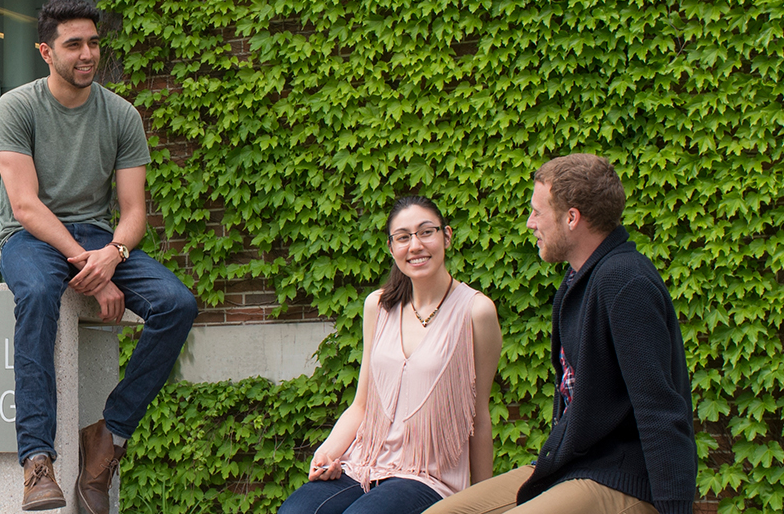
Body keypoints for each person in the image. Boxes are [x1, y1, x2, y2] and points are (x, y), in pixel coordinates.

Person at [0, 0, 199, 514]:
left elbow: (134, 212)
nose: (87, 54)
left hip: (99, 237)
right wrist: (91, 265)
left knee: (176, 303)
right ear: (46, 51)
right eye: (74, 45)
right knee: (40, 292)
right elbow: (25, 204)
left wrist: (113, 253)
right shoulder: (17, 107)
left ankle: (108, 436)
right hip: (30, 237)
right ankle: (37, 460)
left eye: (93, 43)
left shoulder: (121, 114)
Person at [425, 154, 696, 514]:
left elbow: (661, 410)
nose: (529, 222)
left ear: (572, 218)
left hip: (623, 478)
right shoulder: (578, 282)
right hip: (570, 467)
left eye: (538, 211)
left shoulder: (625, 282)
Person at [279, 195, 505, 514]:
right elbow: (362, 404)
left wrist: (484, 503)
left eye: (426, 232)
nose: (415, 245)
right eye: (403, 237)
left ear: (447, 236)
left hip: (428, 477)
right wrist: (329, 452)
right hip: (363, 465)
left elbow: (478, 418)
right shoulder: (379, 306)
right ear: (391, 247)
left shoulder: (476, 311)